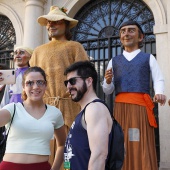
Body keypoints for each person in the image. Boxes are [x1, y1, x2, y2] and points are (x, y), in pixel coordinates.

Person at [102, 20, 166, 170]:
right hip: (120, 110)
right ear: (120, 37)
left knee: (139, 141)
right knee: (121, 143)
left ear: (141, 37)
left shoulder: (148, 58)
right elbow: (107, 90)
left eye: (131, 30)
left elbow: (158, 79)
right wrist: (107, 81)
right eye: (123, 31)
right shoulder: (113, 61)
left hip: (140, 109)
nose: (126, 34)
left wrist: (159, 93)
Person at [29, 5, 89, 164]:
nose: (51, 25)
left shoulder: (75, 47)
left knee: (70, 151)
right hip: (44, 108)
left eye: (56, 21)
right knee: (43, 150)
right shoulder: (37, 51)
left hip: (69, 107)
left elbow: (85, 77)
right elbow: (30, 81)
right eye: (49, 22)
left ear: (66, 25)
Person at [0, 66, 66, 170]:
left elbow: (62, 144)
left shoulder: (55, 113)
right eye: (30, 83)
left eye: (40, 82)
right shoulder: (13, 108)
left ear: (46, 85)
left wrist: (55, 168)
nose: (35, 87)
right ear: (23, 86)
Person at [63, 61, 113, 170]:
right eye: (66, 82)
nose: (68, 87)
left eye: (72, 81)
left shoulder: (95, 108)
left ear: (89, 81)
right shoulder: (86, 110)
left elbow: (99, 156)